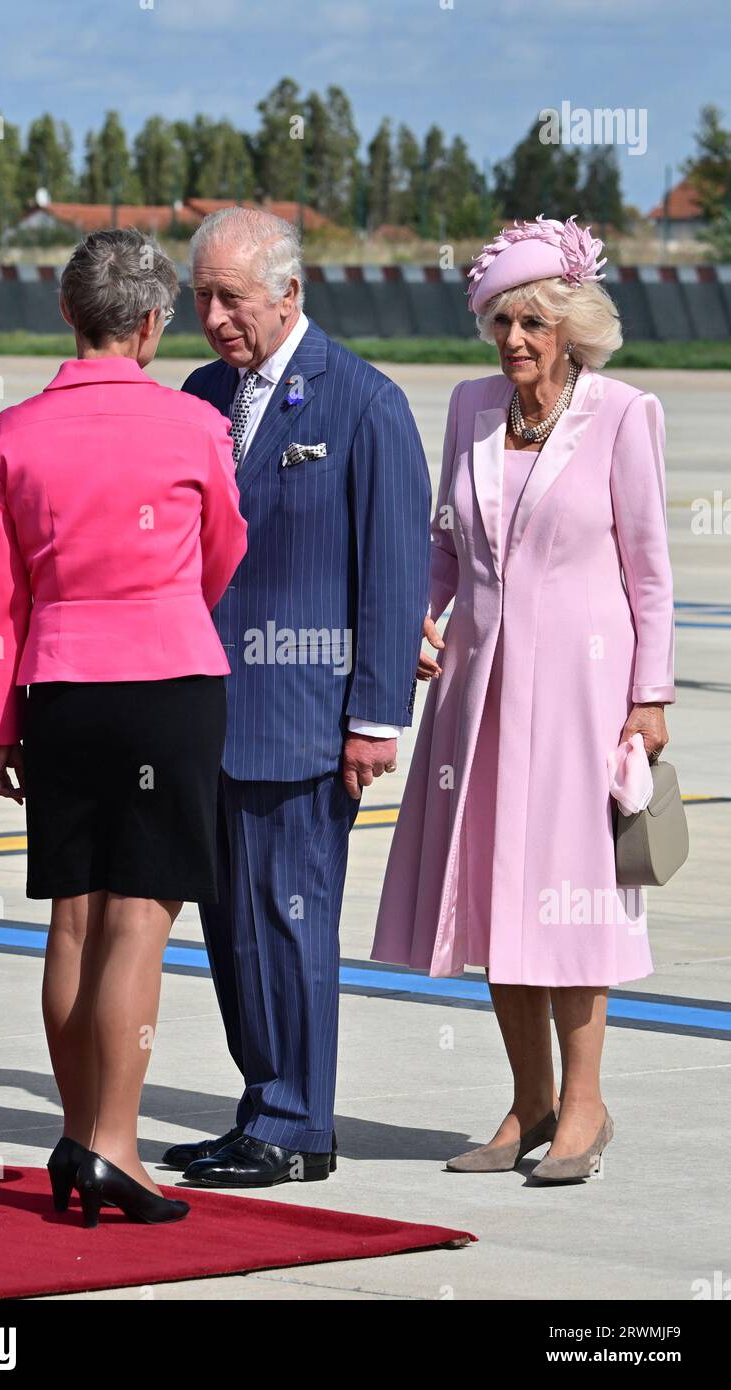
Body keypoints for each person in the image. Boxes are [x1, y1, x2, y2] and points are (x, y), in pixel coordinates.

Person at [371, 215, 675, 1182]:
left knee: (575, 899)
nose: (514, 342)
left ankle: (585, 1105)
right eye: (502, 322)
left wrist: (651, 695)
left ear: (573, 326)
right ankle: (529, 1100)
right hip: (479, 693)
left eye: (534, 323)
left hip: (586, 699)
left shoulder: (625, 414)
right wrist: (413, 618)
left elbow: (651, 575)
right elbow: (445, 543)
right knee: (495, 892)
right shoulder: (468, 407)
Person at [0, 227, 247, 1226]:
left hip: (61, 690)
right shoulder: (191, 428)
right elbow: (223, 553)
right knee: (141, 915)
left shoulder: (15, 433)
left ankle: (76, 1133)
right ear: (147, 323)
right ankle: (111, 1146)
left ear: (65, 315)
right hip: (168, 682)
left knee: (73, 917)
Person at [160, 206, 431, 1187]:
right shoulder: (197, 394)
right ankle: (260, 1104)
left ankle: (298, 1121)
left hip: (306, 718)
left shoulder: (364, 403)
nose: (216, 317)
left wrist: (372, 717)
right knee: (230, 928)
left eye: (232, 297)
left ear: (289, 293)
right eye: (202, 298)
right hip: (206, 714)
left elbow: (394, 574)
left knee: (291, 916)